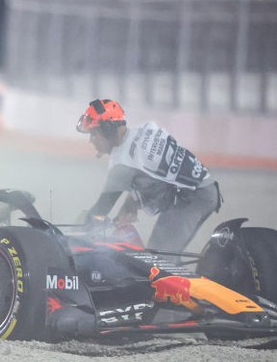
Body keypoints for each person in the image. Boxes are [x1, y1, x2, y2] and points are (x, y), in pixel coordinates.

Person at [77, 98, 221, 256]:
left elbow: (102, 208)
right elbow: (153, 177)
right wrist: (131, 203)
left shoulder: (121, 163)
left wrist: (77, 234)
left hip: (191, 198)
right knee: (163, 255)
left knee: (159, 261)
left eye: (94, 134)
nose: (91, 141)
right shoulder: (144, 130)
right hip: (204, 190)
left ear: (108, 129)